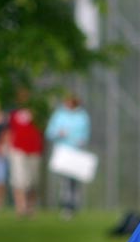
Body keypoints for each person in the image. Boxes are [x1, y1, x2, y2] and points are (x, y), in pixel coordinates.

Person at [45, 92, 91, 219]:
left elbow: (85, 133)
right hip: (63, 151)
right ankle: (66, 205)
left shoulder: (82, 116)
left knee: (73, 180)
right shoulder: (59, 115)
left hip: (76, 152)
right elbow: (49, 132)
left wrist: (81, 140)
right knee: (65, 181)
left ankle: (73, 204)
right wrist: (58, 133)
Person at [5, 89, 43, 218]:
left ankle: (31, 207)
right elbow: (9, 131)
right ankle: (20, 208)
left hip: (34, 150)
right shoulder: (13, 114)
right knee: (19, 180)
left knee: (32, 181)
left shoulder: (37, 114)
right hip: (18, 150)